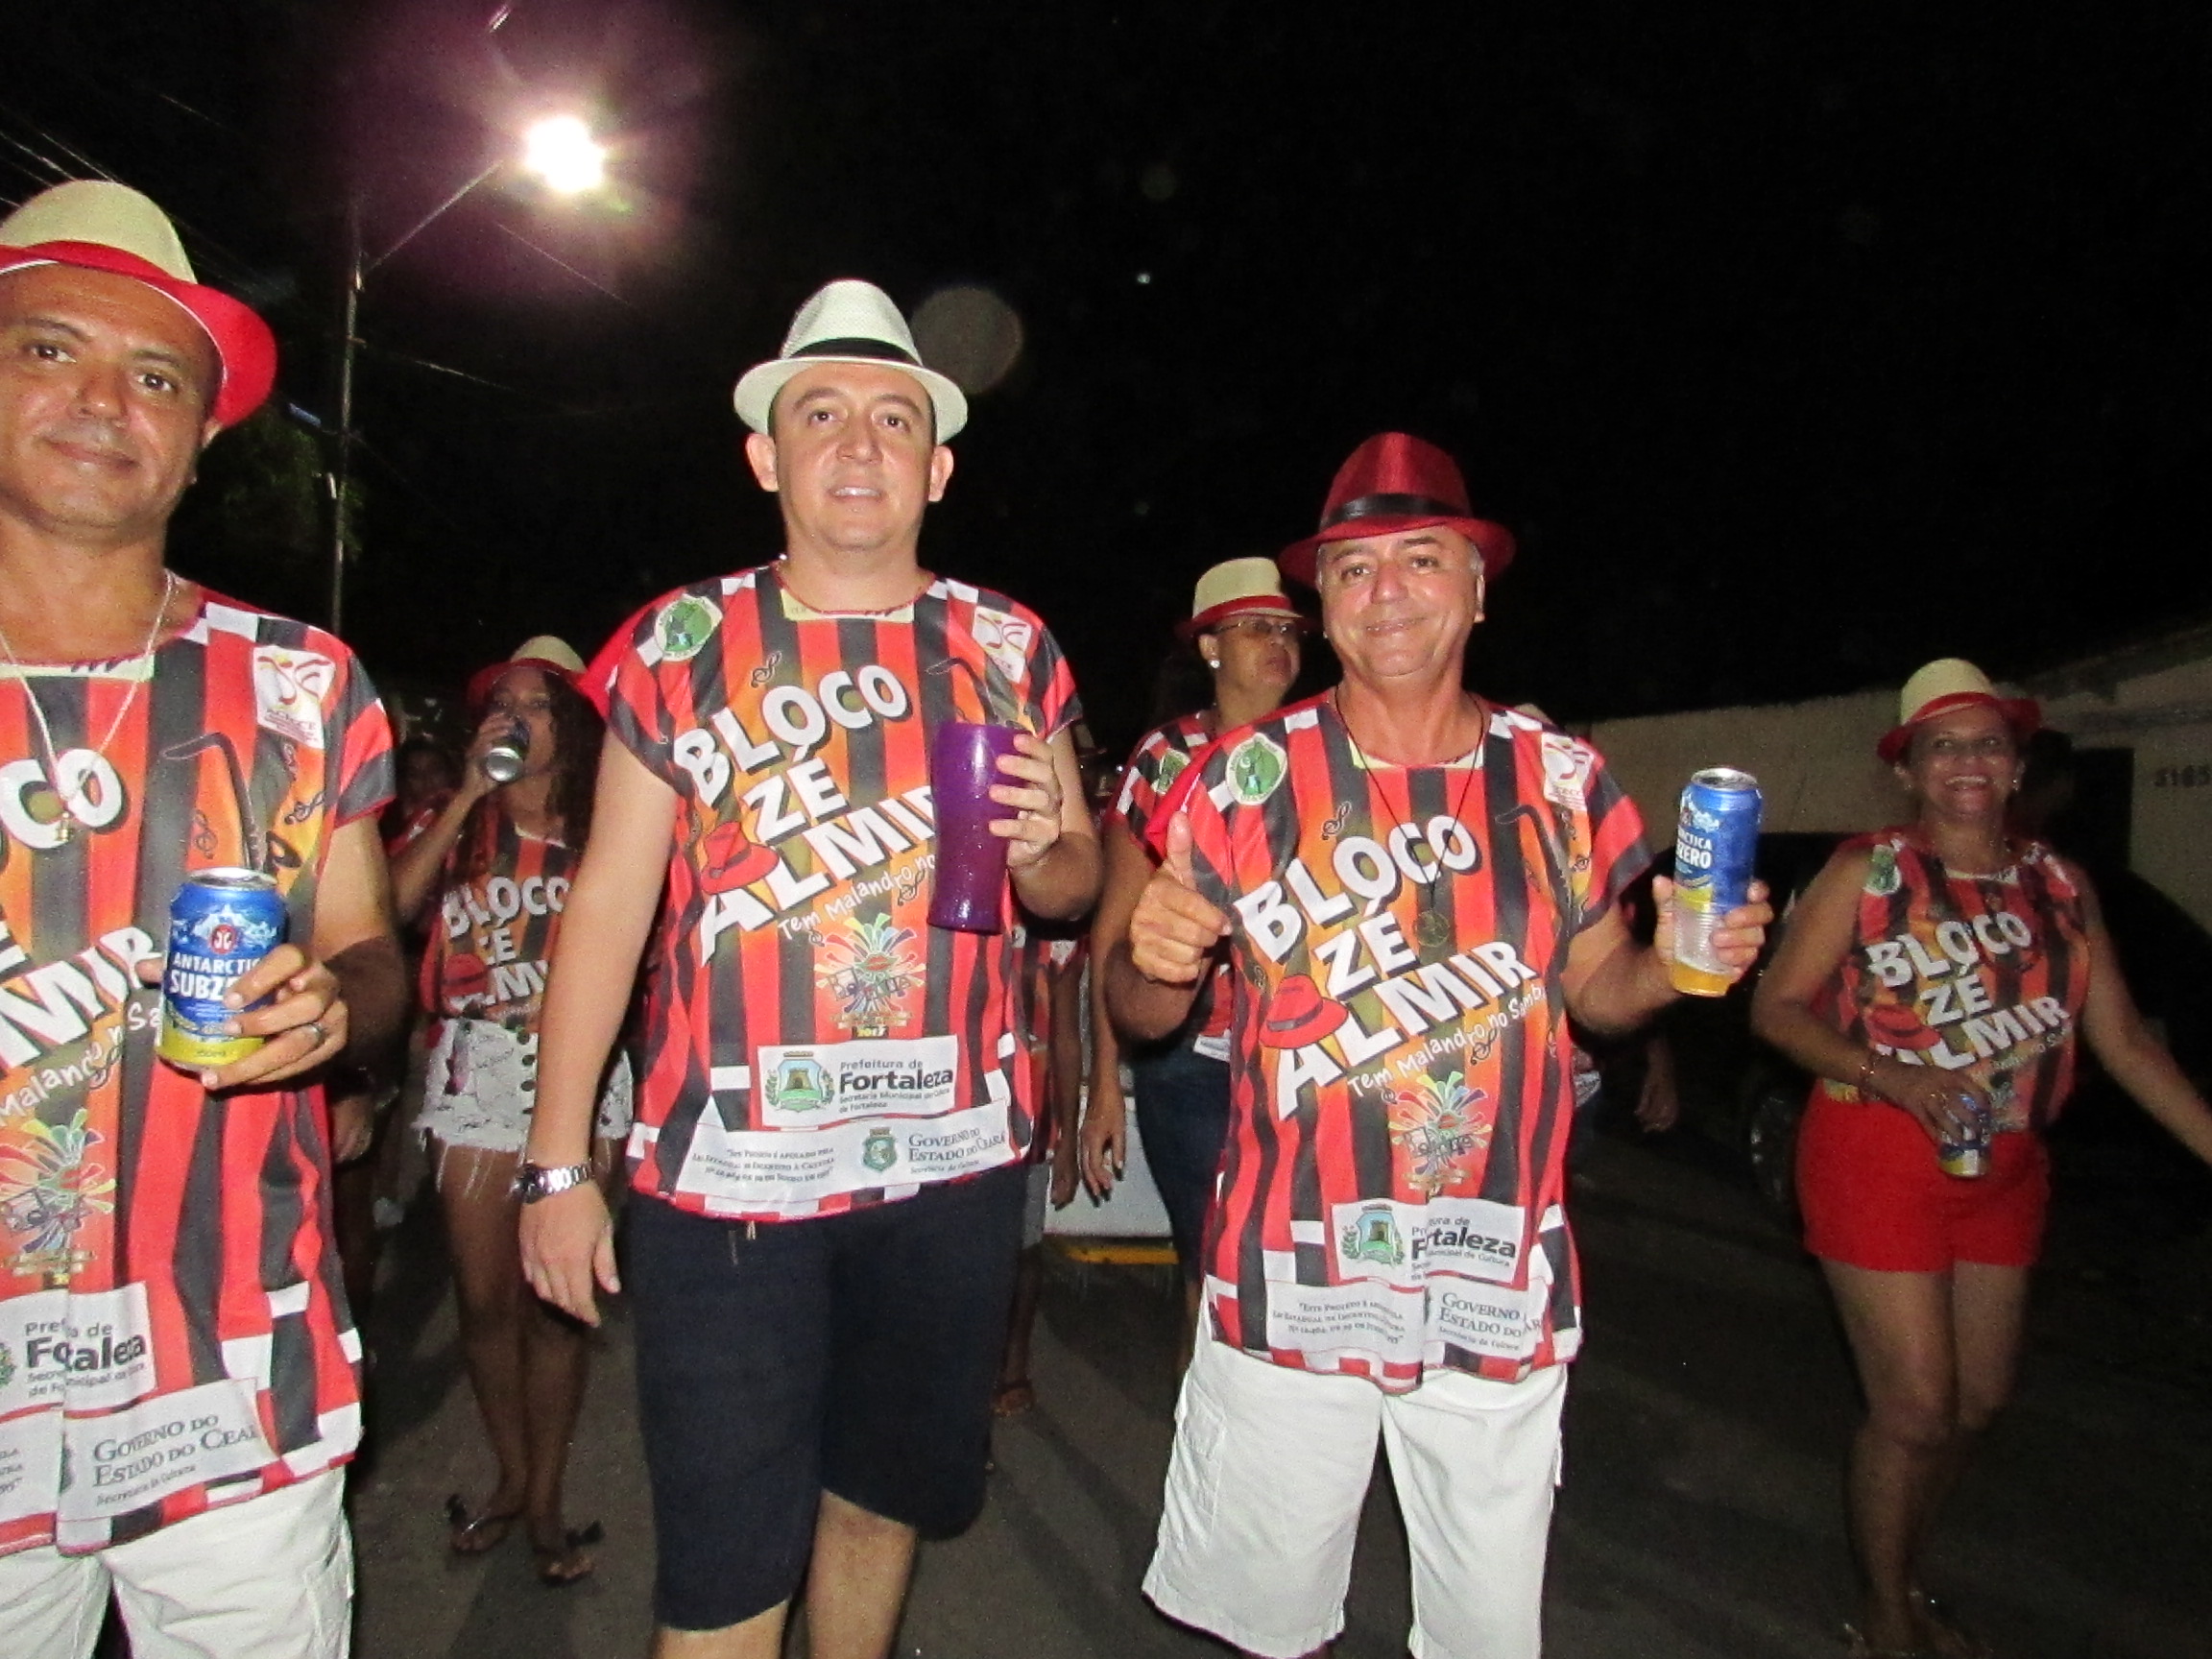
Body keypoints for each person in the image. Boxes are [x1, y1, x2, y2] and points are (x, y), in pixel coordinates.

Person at [1108, 431, 1770, 1659]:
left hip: (1493, 1267)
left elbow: (1601, 992)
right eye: (1354, 569)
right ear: (1325, 605)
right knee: (1264, 1624)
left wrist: (1685, 964)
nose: (1388, 592)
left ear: (1477, 588)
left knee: (1485, 1632)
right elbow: (1142, 1015)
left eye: (1422, 559)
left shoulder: (1561, 779)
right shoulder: (1243, 778)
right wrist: (1155, 961)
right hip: (1293, 1270)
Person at [520, 279, 1099, 1658]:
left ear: (937, 468)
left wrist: (1045, 853)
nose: (857, 444)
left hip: (949, 1167)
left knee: (881, 1507)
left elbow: (1078, 882)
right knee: (725, 1572)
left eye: (894, 419)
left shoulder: (1010, 645)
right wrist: (553, 1166)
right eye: (820, 414)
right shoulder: (679, 643)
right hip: (732, 1180)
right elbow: (607, 907)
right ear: (765, 458)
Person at [0, 181, 406, 1656]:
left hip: (230, 1372)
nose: (105, 403)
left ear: (201, 436)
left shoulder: (299, 682)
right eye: (50, 350)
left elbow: (374, 956)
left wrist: (341, 1011)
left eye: (157, 378)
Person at [1749, 659, 2212, 1659]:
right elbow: (1775, 1009)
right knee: (1916, 1410)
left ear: (2016, 765)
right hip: (1876, 1151)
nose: (1968, 762)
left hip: (2004, 1166)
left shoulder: (2061, 884)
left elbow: (2126, 1043)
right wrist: (1896, 1077)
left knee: (1977, 1405)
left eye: (1988, 743)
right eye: (1943, 746)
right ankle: (1885, 1616)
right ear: (1909, 771)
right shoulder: (1869, 873)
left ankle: (1905, 1569)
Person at [387, 637, 630, 1586]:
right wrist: (462, 801)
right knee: (485, 1298)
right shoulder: (457, 827)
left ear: (568, 724)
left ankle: (548, 1502)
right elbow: (392, 907)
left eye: (534, 704)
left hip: (583, 1073)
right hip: (479, 1067)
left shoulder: (608, 826)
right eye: (501, 703)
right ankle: (511, 1479)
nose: (512, 717)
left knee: (557, 1305)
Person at [1080, 557, 1306, 1357]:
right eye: (1255, 628)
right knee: (1213, 1274)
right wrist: (1103, 1085)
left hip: (1303, 1060)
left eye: (1289, 629)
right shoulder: (1168, 756)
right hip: (1193, 1057)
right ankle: (1202, 1428)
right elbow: (1111, 929)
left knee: (1296, 1275)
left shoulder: (1331, 747)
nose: (1278, 644)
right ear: (1210, 647)